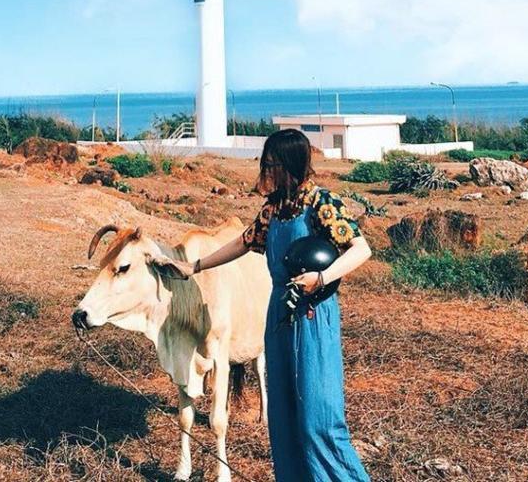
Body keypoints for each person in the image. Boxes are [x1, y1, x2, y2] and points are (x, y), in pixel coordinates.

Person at [154, 128, 372, 482]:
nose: (265, 172)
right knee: (284, 419)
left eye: (271, 164)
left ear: (290, 165)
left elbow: (361, 249)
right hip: (279, 314)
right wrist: (193, 267)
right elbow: (243, 242)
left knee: (319, 417)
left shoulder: (322, 203)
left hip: (313, 315)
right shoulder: (273, 210)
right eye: (264, 163)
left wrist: (322, 278)